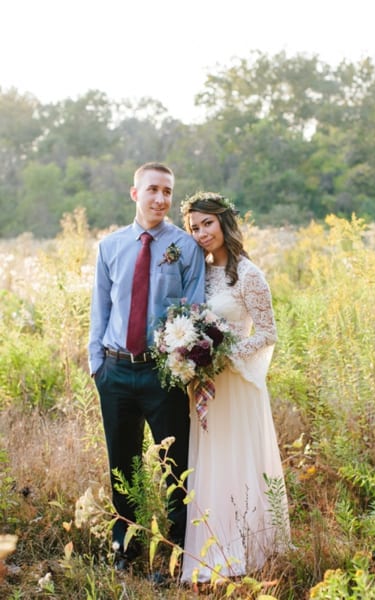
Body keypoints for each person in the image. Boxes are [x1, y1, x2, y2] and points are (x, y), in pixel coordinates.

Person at [88, 162, 206, 569]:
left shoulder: (185, 248)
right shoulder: (110, 246)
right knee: (123, 463)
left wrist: (183, 365)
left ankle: (177, 549)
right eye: (153, 189)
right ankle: (126, 545)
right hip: (115, 370)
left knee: (176, 467)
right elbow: (100, 309)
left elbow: (195, 310)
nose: (160, 198)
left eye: (168, 191)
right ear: (135, 193)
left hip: (163, 373)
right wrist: (96, 364)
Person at [179, 192, 290, 584]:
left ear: (224, 222)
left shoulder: (249, 274)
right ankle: (212, 543)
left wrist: (222, 356)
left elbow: (268, 332)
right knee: (210, 462)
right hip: (206, 385)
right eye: (194, 227)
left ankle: (247, 546)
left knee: (236, 461)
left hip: (235, 382)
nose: (202, 232)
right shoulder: (200, 272)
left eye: (207, 223)